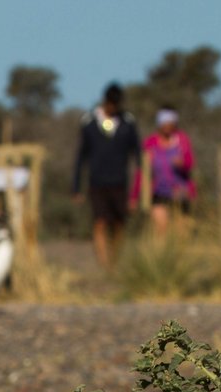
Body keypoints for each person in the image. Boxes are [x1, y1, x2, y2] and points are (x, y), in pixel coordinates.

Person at [72, 82, 141, 271]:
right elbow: (81, 156)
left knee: (119, 223)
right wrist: (76, 187)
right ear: (104, 101)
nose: (112, 108)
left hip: (119, 182)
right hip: (97, 182)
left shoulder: (128, 122)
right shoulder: (89, 122)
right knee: (100, 222)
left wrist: (137, 189)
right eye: (110, 104)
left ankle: (115, 261)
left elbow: (138, 155)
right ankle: (104, 265)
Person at [131, 106, 195, 237]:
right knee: (161, 230)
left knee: (182, 234)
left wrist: (182, 164)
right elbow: (142, 171)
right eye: (164, 122)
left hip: (180, 193)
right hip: (159, 192)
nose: (167, 125)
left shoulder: (182, 140)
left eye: (170, 122)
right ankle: (162, 256)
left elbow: (190, 164)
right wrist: (134, 195)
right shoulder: (150, 143)